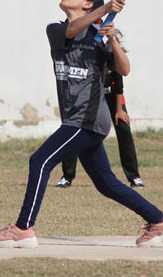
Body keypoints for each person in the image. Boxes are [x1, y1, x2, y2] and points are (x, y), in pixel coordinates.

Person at [0, 0, 163, 248]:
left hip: (88, 118)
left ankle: (23, 228)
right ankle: (160, 221)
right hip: (78, 118)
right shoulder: (56, 30)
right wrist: (105, 11)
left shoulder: (99, 38)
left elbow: (123, 69)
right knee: (105, 182)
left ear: (88, 4)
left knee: (40, 161)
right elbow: (70, 32)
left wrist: (112, 40)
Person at [56, 41, 145, 189]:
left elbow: (118, 87)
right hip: (90, 97)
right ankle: (67, 176)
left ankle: (134, 177)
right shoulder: (89, 60)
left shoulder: (113, 60)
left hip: (112, 97)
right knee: (72, 128)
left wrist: (119, 110)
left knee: (123, 127)